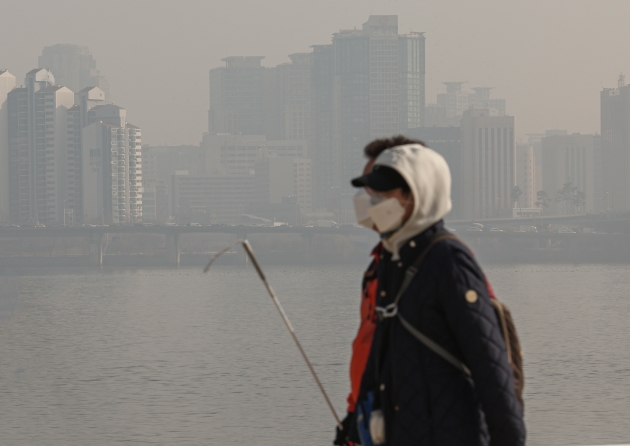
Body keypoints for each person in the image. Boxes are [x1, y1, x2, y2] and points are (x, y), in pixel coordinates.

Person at [349, 143, 525, 445]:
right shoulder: (393, 260)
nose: (372, 201)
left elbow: (491, 369)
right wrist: (352, 428)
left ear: (416, 196)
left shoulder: (448, 259)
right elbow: (379, 360)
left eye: (383, 194)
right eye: (372, 193)